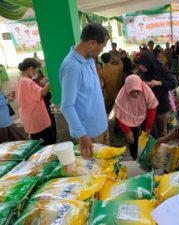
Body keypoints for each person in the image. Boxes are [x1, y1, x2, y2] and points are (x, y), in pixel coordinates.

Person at [60, 23, 109, 157]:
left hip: (101, 126)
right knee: (96, 173)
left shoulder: (89, 59)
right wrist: (82, 135)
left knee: (107, 169)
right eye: (102, 47)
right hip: (89, 134)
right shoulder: (72, 67)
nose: (102, 51)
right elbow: (66, 106)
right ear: (93, 43)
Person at [115, 75, 158, 159]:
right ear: (127, 89)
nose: (135, 94)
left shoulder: (146, 91)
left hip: (146, 116)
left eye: (138, 91)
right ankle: (135, 158)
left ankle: (150, 159)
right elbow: (120, 116)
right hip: (129, 119)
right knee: (133, 141)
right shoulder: (121, 97)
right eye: (132, 92)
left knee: (151, 139)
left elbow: (152, 109)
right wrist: (127, 131)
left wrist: (148, 128)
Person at [137, 51, 177, 138]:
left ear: (150, 63)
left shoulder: (162, 69)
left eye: (143, 65)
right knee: (148, 132)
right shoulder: (140, 72)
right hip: (147, 107)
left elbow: (173, 83)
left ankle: (161, 149)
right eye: (140, 64)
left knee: (162, 132)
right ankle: (151, 150)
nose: (141, 67)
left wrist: (158, 83)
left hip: (161, 106)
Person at [15, 58, 55, 146]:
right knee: (46, 144)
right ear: (30, 68)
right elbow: (42, 93)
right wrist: (52, 79)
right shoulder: (27, 81)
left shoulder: (19, 79)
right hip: (36, 118)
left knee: (38, 143)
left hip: (28, 117)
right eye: (35, 71)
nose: (35, 74)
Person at [33, 69, 57, 143]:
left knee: (51, 124)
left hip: (47, 107)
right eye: (35, 73)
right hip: (41, 110)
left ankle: (53, 139)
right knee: (47, 129)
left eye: (38, 73)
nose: (36, 75)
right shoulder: (33, 86)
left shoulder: (43, 83)